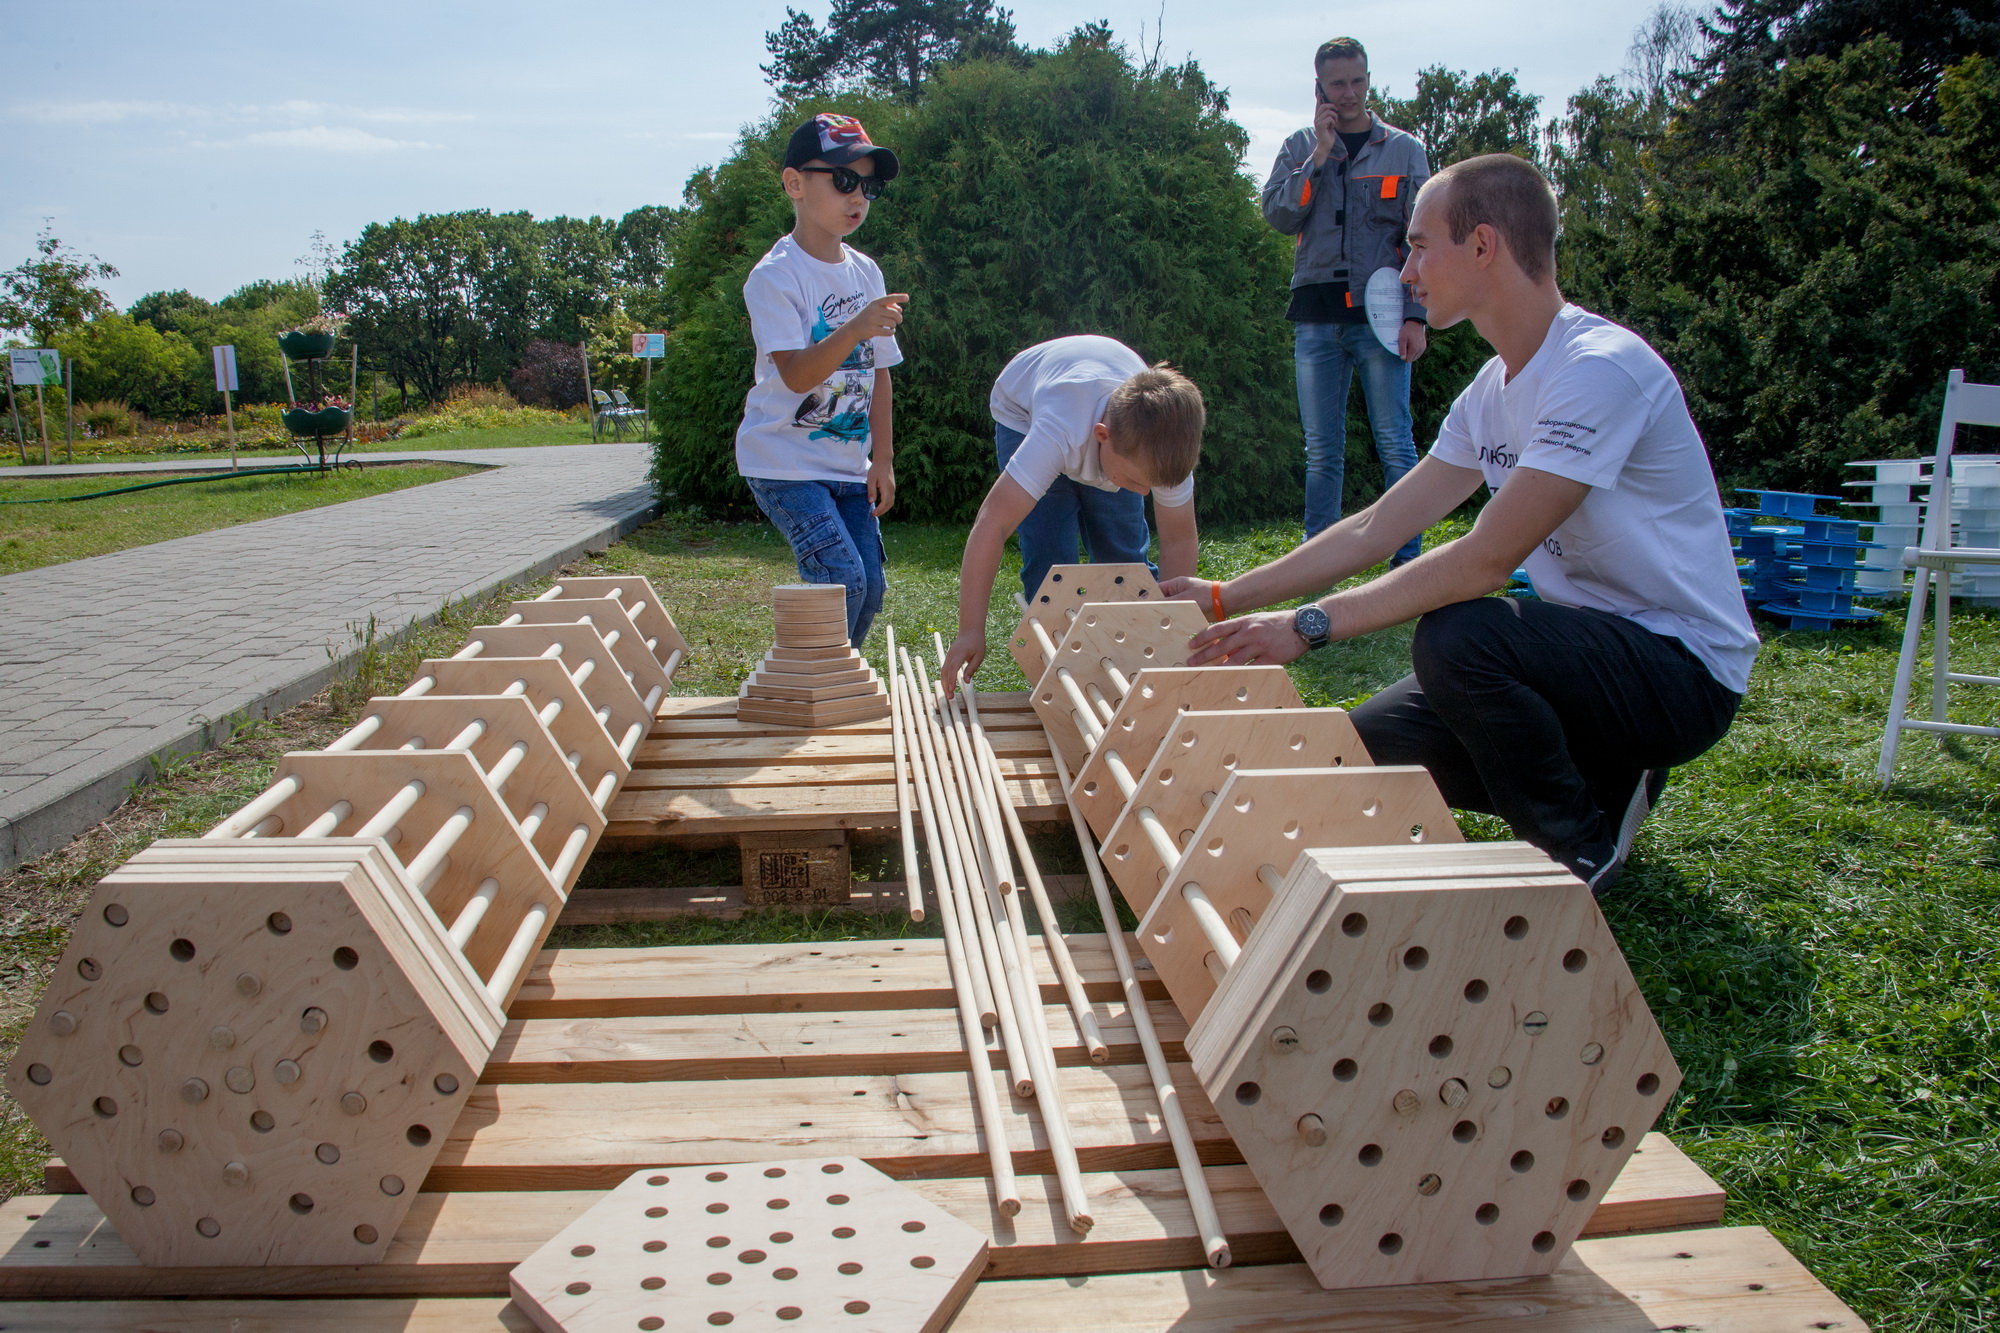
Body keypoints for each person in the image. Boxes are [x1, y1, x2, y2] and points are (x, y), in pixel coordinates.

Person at [1169, 154, 1759, 894]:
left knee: (1460, 637)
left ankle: (1576, 851)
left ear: (1482, 246)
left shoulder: (1600, 370)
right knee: (1357, 749)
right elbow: (1381, 524)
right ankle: (1601, 768)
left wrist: (1310, 625)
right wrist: (1227, 597)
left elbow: (1485, 561)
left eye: (1418, 244)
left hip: (1681, 673)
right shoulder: (1492, 389)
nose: (1406, 271)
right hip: (1578, 653)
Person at [940, 335, 1204, 691]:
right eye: (1134, 480)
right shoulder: (1056, 433)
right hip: (1025, 412)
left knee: (1123, 558)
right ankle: (1058, 678)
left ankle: (1129, 670)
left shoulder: (1163, 450)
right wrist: (970, 630)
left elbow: (1179, 538)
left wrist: (1168, 628)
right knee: (1050, 561)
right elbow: (993, 524)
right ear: (1102, 435)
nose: (1143, 494)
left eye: (1152, 487)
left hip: (1096, 419)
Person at [735, 112, 907, 647]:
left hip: (848, 467)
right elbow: (794, 376)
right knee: (842, 581)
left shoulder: (866, 271)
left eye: (869, 185)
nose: (858, 196)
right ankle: (813, 684)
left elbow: (879, 374)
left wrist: (883, 459)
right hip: (783, 463)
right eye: (843, 180)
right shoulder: (775, 276)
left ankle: (827, 680)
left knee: (870, 589)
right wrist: (855, 325)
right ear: (794, 184)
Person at [1263, 36, 1431, 564]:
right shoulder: (1297, 147)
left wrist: (1416, 316)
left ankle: (1407, 561)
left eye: (1358, 80)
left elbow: (1421, 239)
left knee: (1394, 442)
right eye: (1338, 83)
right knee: (1321, 452)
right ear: (1320, 88)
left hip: (1382, 319)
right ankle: (1316, 562)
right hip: (1315, 317)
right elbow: (1278, 215)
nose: (1351, 92)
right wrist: (1318, 153)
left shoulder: (1405, 149)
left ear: (1367, 79)